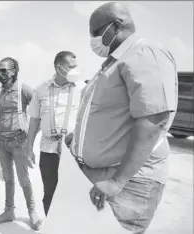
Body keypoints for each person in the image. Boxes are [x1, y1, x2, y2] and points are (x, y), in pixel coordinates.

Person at [70, 2, 178, 233]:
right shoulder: (115, 62)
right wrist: (79, 140)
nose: (92, 39)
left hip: (129, 183)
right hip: (106, 177)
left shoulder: (144, 54)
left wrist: (117, 181)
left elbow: (153, 120)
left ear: (116, 26)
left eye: (96, 33)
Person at [26, 51, 85, 216]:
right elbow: (34, 120)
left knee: (75, 195)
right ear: (59, 68)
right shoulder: (41, 90)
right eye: (71, 66)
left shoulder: (83, 89)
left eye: (76, 66)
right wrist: (29, 147)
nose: (76, 70)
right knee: (50, 193)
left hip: (74, 151)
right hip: (48, 150)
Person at [0, 57, 41, 230]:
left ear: (14, 71)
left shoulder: (24, 90)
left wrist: (29, 138)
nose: (1, 74)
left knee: (24, 179)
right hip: (2, 142)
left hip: (19, 142)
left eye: (5, 70)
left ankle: (32, 212)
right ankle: (9, 211)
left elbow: (39, 113)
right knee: (8, 179)